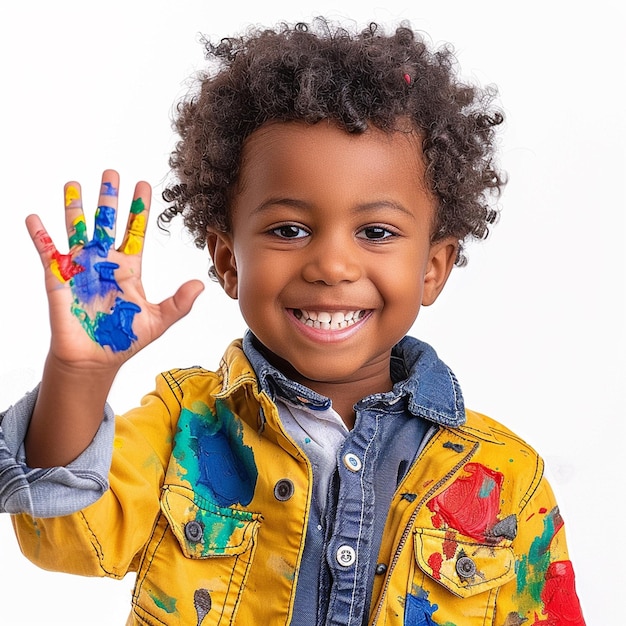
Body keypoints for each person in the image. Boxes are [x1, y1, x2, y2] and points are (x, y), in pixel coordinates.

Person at [6, 18, 586, 625]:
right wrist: (78, 373)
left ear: (434, 268)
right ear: (229, 261)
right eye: (290, 230)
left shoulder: (506, 480)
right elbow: (61, 535)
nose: (332, 265)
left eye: (376, 232)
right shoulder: (183, 428)